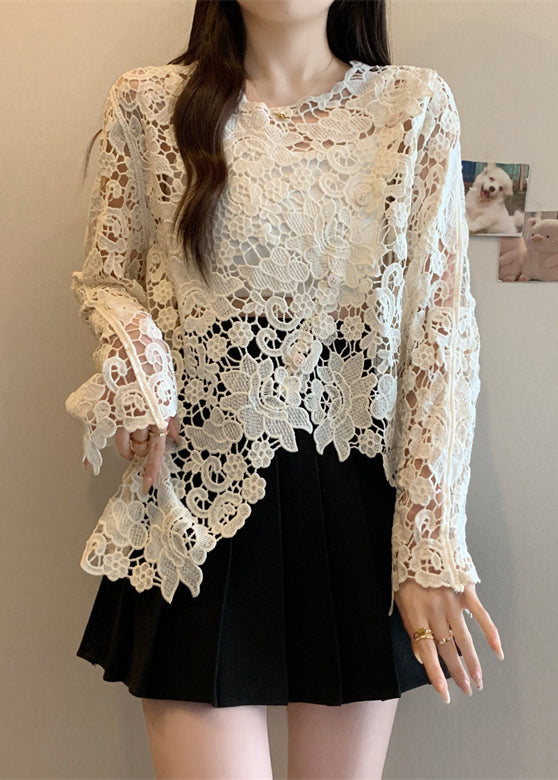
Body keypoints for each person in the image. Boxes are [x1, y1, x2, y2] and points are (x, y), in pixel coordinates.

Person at [67, 1, 505, 777]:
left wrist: (429, 545)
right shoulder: (148, 103)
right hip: (198, 503)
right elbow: (110, 278)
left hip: (356, 504)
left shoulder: (414, 105)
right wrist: (139, 368)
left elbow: (439, 334)